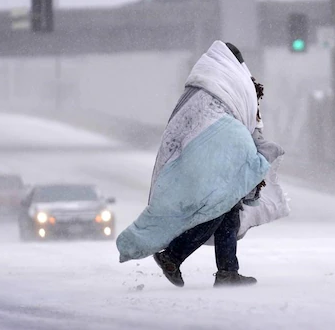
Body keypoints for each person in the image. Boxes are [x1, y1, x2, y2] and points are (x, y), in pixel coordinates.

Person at [116, 41, 284, 287]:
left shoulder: (202, 87)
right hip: (212, 157)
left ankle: (227, 271)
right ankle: (174, 256)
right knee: (217, 208)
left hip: (200, 157)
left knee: (227, 210)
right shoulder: (230, 84)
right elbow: (239, 122)